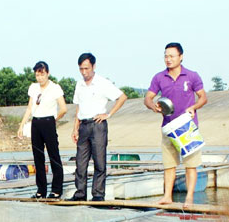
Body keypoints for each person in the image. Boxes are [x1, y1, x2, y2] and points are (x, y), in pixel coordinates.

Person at [143, 42, 208, 207]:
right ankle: (167, 197)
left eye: (172, 56)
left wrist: (194, 107)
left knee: (191, 165)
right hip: (168, 127)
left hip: (187, 126)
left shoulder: (192, 76)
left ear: (181, 57)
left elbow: (203, 97)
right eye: (166, 56)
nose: (168, 59)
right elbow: (148, 98)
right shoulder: (159, 77)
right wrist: (154, 106)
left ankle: (189, 198)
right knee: (169, 164)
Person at [71, 52, 128, 201]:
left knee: (99, 161)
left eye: (87, 68)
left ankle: (97, 194)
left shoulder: (103, 82)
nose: (84, 72)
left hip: (98, 125)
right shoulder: (79, 84)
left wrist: (108, 114)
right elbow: (78, 107)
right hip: (83, 125)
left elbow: (122, 97)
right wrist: (75, 127)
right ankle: (80, 193)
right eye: (81, 69)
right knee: (80, 162)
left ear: (93, 66)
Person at [18, 61, 67, 199]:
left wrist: (53, 120)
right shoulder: (33, 88)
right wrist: (22, 125)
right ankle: (41, 190)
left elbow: (63, 108)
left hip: (48, 121)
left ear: (48, 73)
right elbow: (29, 108)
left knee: (53, 155)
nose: (40, 78)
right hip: (36, 122)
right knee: (38, 157)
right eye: (37, 75)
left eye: (42, 74)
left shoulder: (55, 88)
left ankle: (56, 189)